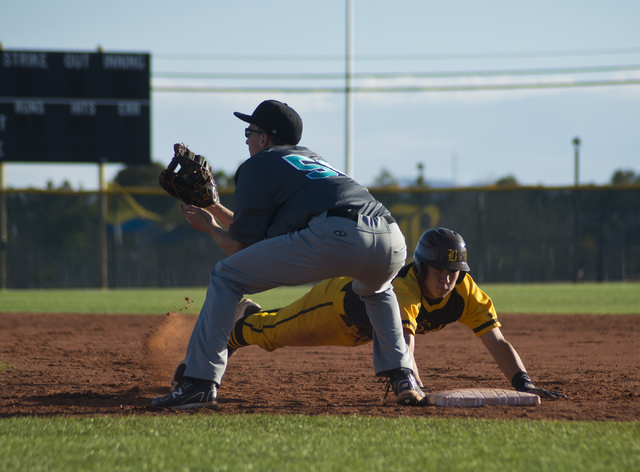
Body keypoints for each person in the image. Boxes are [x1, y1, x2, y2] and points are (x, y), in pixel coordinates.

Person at [152, 99, 424, 410]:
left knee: (225, 276)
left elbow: (241, 248)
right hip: (391, 238)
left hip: (337, 235)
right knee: (377, 289)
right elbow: (263, 240)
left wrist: (211, 230)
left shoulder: (258, 165)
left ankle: (198, 384)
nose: (246, 138)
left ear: (264, 138)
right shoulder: (311, 160)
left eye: (249, 131)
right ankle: (403, 376)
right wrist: (214, 210)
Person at [218, 228, 565, 399]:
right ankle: (241, 327)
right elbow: (404, 344)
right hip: (339, 308)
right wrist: (413, 385)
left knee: (278, 330)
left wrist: (524, 385)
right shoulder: (407, 287)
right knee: (275, 333)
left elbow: (497, 340)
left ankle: (249, 315)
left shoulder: (465, 291)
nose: (447, 279)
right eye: (439, 271)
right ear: (422, 266)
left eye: (454, 271)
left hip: (366, 331)